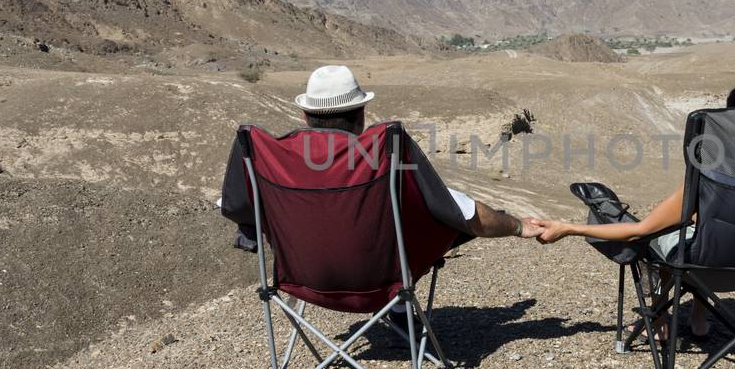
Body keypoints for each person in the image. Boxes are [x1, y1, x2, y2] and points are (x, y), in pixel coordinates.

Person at [527, 78, 735, 339]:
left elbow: (640, 230)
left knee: (668, 235)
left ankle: (660, 318)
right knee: (705, 229)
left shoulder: (711, 179)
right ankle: (699, 319)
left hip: (709, 268)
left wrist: (568, 228)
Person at [220, 65, 545, 246]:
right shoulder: (384, 157)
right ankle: (401, 312)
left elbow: (234, 206)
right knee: (449, 222)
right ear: (361, 115)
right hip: (381, 280)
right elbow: (465, 213)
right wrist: (516, 225)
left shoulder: (275, 162)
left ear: (306, 116)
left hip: (302, 280)